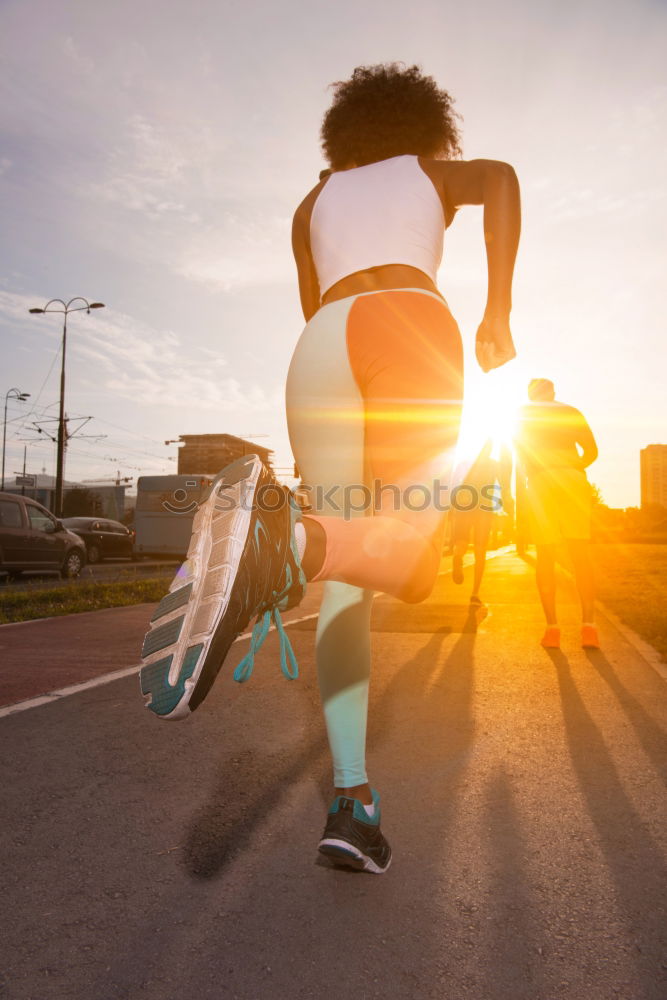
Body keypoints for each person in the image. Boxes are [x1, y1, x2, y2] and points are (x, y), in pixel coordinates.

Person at [139, 63, 520, 873]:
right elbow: (502, 179)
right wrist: (497, 309)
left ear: (341, 134)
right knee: (410, 560)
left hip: (319, 348)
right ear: (426, 125)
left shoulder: (312, 202)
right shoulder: (426, 171)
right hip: (408, 324)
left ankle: (353, 799)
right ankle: (287, 547)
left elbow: (314, 302)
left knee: (353, 568)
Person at [515, 378, 599, 649]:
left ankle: (552, 629)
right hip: (572, 479)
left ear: (530, 395)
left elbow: (521, 455)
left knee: (546, 555)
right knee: (580, 553)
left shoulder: (523, 415)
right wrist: (573, 465)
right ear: (553, 392)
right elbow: (592, 452)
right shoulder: (571, 412)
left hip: (541, 482)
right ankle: (589, 628)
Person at [451, 439, 513, 606]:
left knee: (461, 542)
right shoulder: (494, 465)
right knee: (480, 551)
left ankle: (457, 557)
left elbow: (454, 485)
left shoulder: (466, 463)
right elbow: (504, 485)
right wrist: (508, 503)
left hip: (464, 505)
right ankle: (475, 593)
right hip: (484, 509)